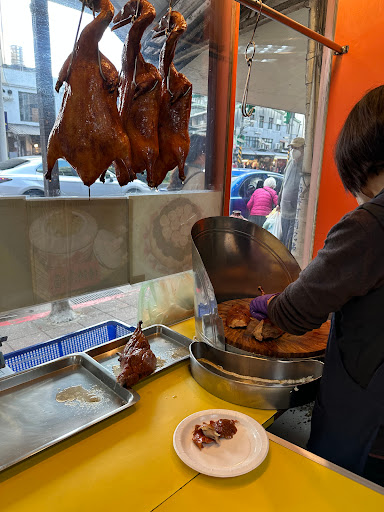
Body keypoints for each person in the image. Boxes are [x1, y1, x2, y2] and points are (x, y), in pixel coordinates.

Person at [249, 85, 384, 484]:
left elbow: (297, 312)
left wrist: (266, 306)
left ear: (364, 161)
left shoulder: (371, 224)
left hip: (366, 421)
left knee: (334, 491)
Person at [278, 137, 305, 251]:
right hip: (284, 210)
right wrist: (279, 201)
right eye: (292, 148)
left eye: (296, 148)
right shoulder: (289, 163)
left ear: (303, 149)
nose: (293, 150)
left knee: (290, 243)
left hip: (295, 212)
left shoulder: (305, 165)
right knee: (283, 240)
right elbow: (284, 184)